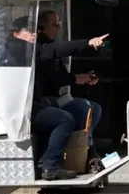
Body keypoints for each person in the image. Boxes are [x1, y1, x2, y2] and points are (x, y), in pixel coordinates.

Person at [33, 9, 108, 180]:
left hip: (52, 99)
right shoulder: (38, 48)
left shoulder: (47, 46)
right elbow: (54, 67)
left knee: (93, 108)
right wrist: (87, 43)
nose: (58, 28)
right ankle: (58, 162)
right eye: (55, 24)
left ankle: (85, 151)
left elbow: (59, 73)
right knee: (76, 111)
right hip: (42, 102)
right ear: (42, 27)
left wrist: (80, 77)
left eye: (59, 24)